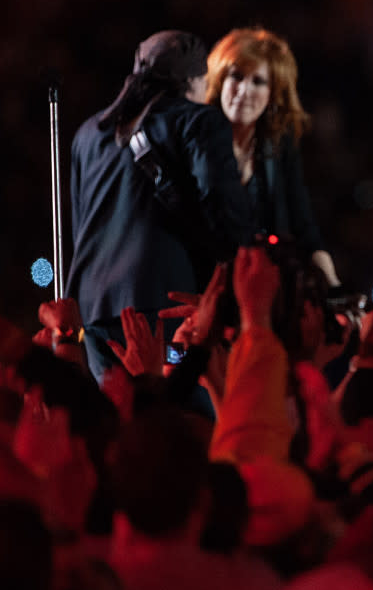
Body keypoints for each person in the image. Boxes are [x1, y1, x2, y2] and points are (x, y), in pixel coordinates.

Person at [67, 30, 253, 381]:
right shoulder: (197, 121)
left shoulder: (88, 133)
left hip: (93, 314)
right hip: (166, 309)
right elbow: (223, 209)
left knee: (123, 422)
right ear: (194, 80)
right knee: (181, 422)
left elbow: (80, 229)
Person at [190, 27, 341, 290]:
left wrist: (334, 287)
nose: (243, 91)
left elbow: (303, 225)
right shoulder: (195, 140)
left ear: (274, 94)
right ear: (219, 81)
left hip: (261, 290)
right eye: (236, 77)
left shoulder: (277, 146)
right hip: (202, 288)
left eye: (257, 81)